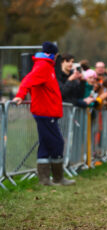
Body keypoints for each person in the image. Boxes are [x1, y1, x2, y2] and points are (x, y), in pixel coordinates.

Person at [12, 42, 75, 186]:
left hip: (48, 112)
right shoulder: (43, 66)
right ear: (55, 55)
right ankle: (58, 178)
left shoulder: (47, 66)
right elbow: (28, 80)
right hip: (45, 113)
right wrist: (20, 95)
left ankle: (45, 180)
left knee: (45, 145)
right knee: (57, 142)